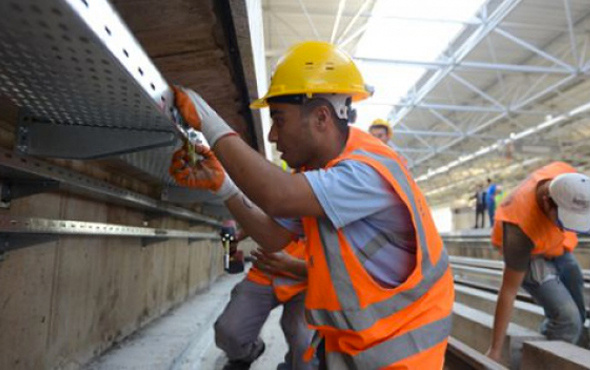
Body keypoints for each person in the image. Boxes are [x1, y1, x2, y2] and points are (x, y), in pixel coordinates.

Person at [169, 41, 454, 368]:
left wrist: (208, 121)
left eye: (279, 119)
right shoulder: (321, 172)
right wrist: (223, 186)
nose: (273, 135)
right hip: (354, 347)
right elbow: (276, 236)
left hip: (397, 357)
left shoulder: (366, 173)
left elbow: (278, 195)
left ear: (321, 117)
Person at [486, 162, 590, 361]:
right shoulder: (519, 229)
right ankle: (537, 361)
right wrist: (495, 349)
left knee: (578, 304)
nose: (569, 227)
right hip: (531, 253)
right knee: (568, 318)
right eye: (564, 221)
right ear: (546, 202)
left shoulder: (569, 178)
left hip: (555, 245)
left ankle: (567, 340)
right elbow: (508, 290)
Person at [213, 234, 312, 370]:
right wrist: (236, 236)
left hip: (307, 282)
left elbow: (335, 267)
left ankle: (292, 366)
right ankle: (247, 354)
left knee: (306, 345)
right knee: (229, 332)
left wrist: (289, 265)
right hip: (265, 273)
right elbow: (268, 218)